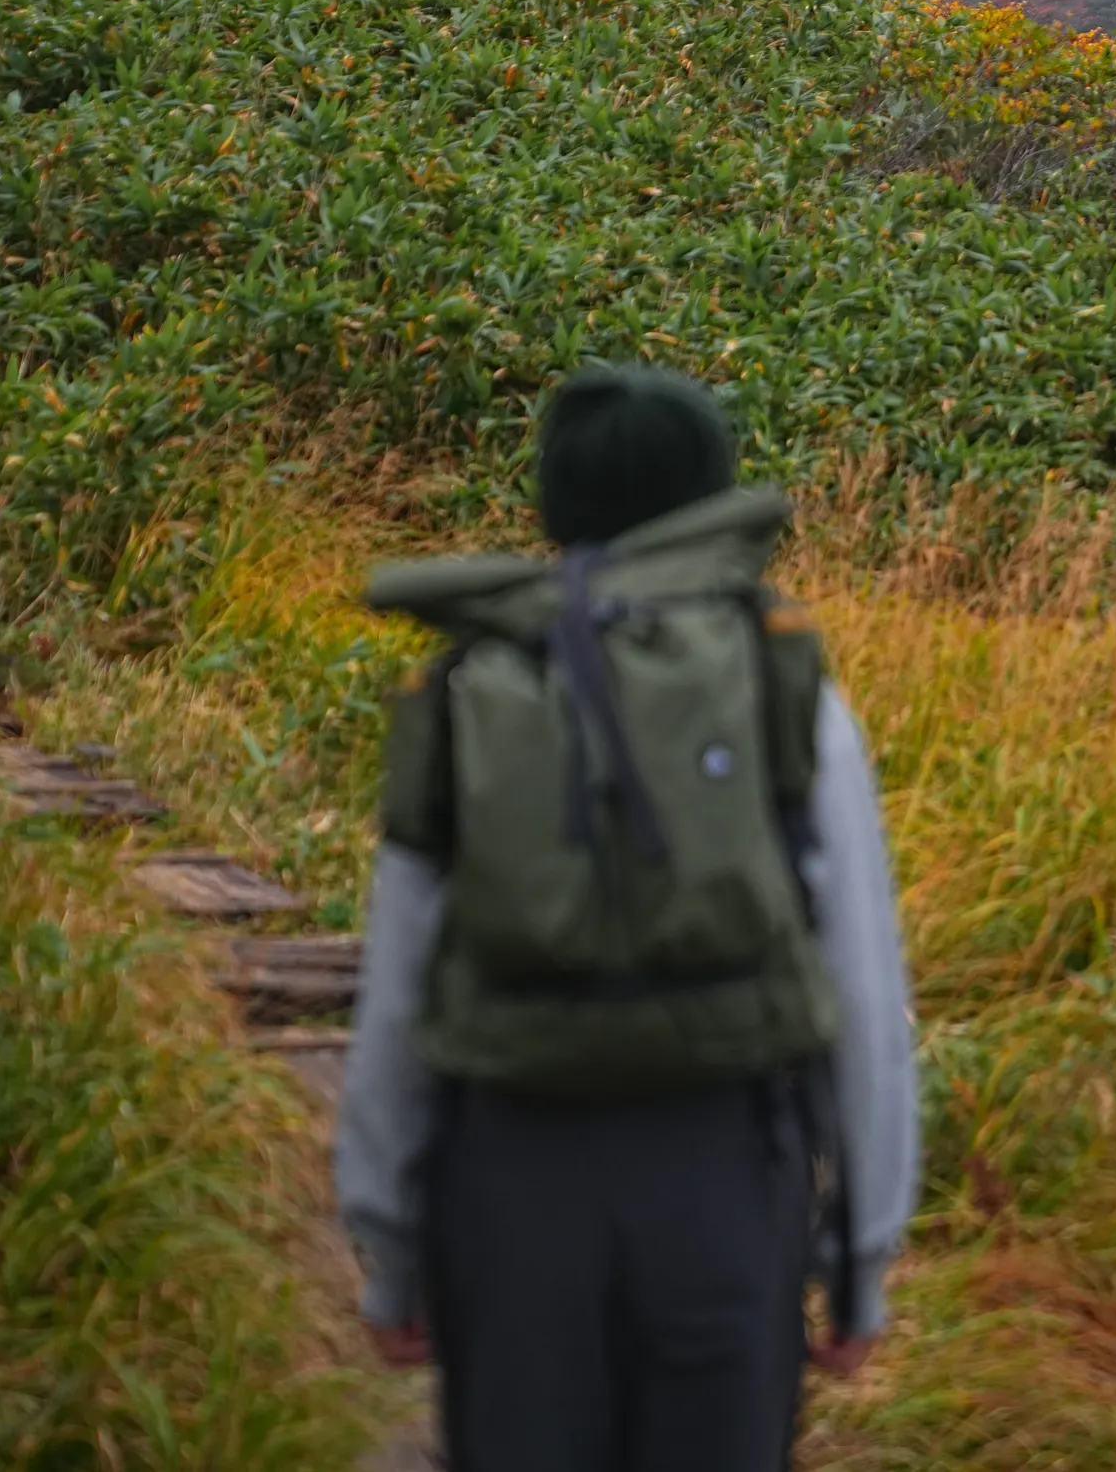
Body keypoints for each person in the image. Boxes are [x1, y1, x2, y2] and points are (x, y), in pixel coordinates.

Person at [334, 362, 919, 1472]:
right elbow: (861, 983)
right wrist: (860, 1258)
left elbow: (400, 994)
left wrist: (391, 1254)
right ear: (714, 496)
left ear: (557, 504)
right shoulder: (780, 674)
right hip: (724, 1174)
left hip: (508, 1175)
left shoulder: (474, 683)